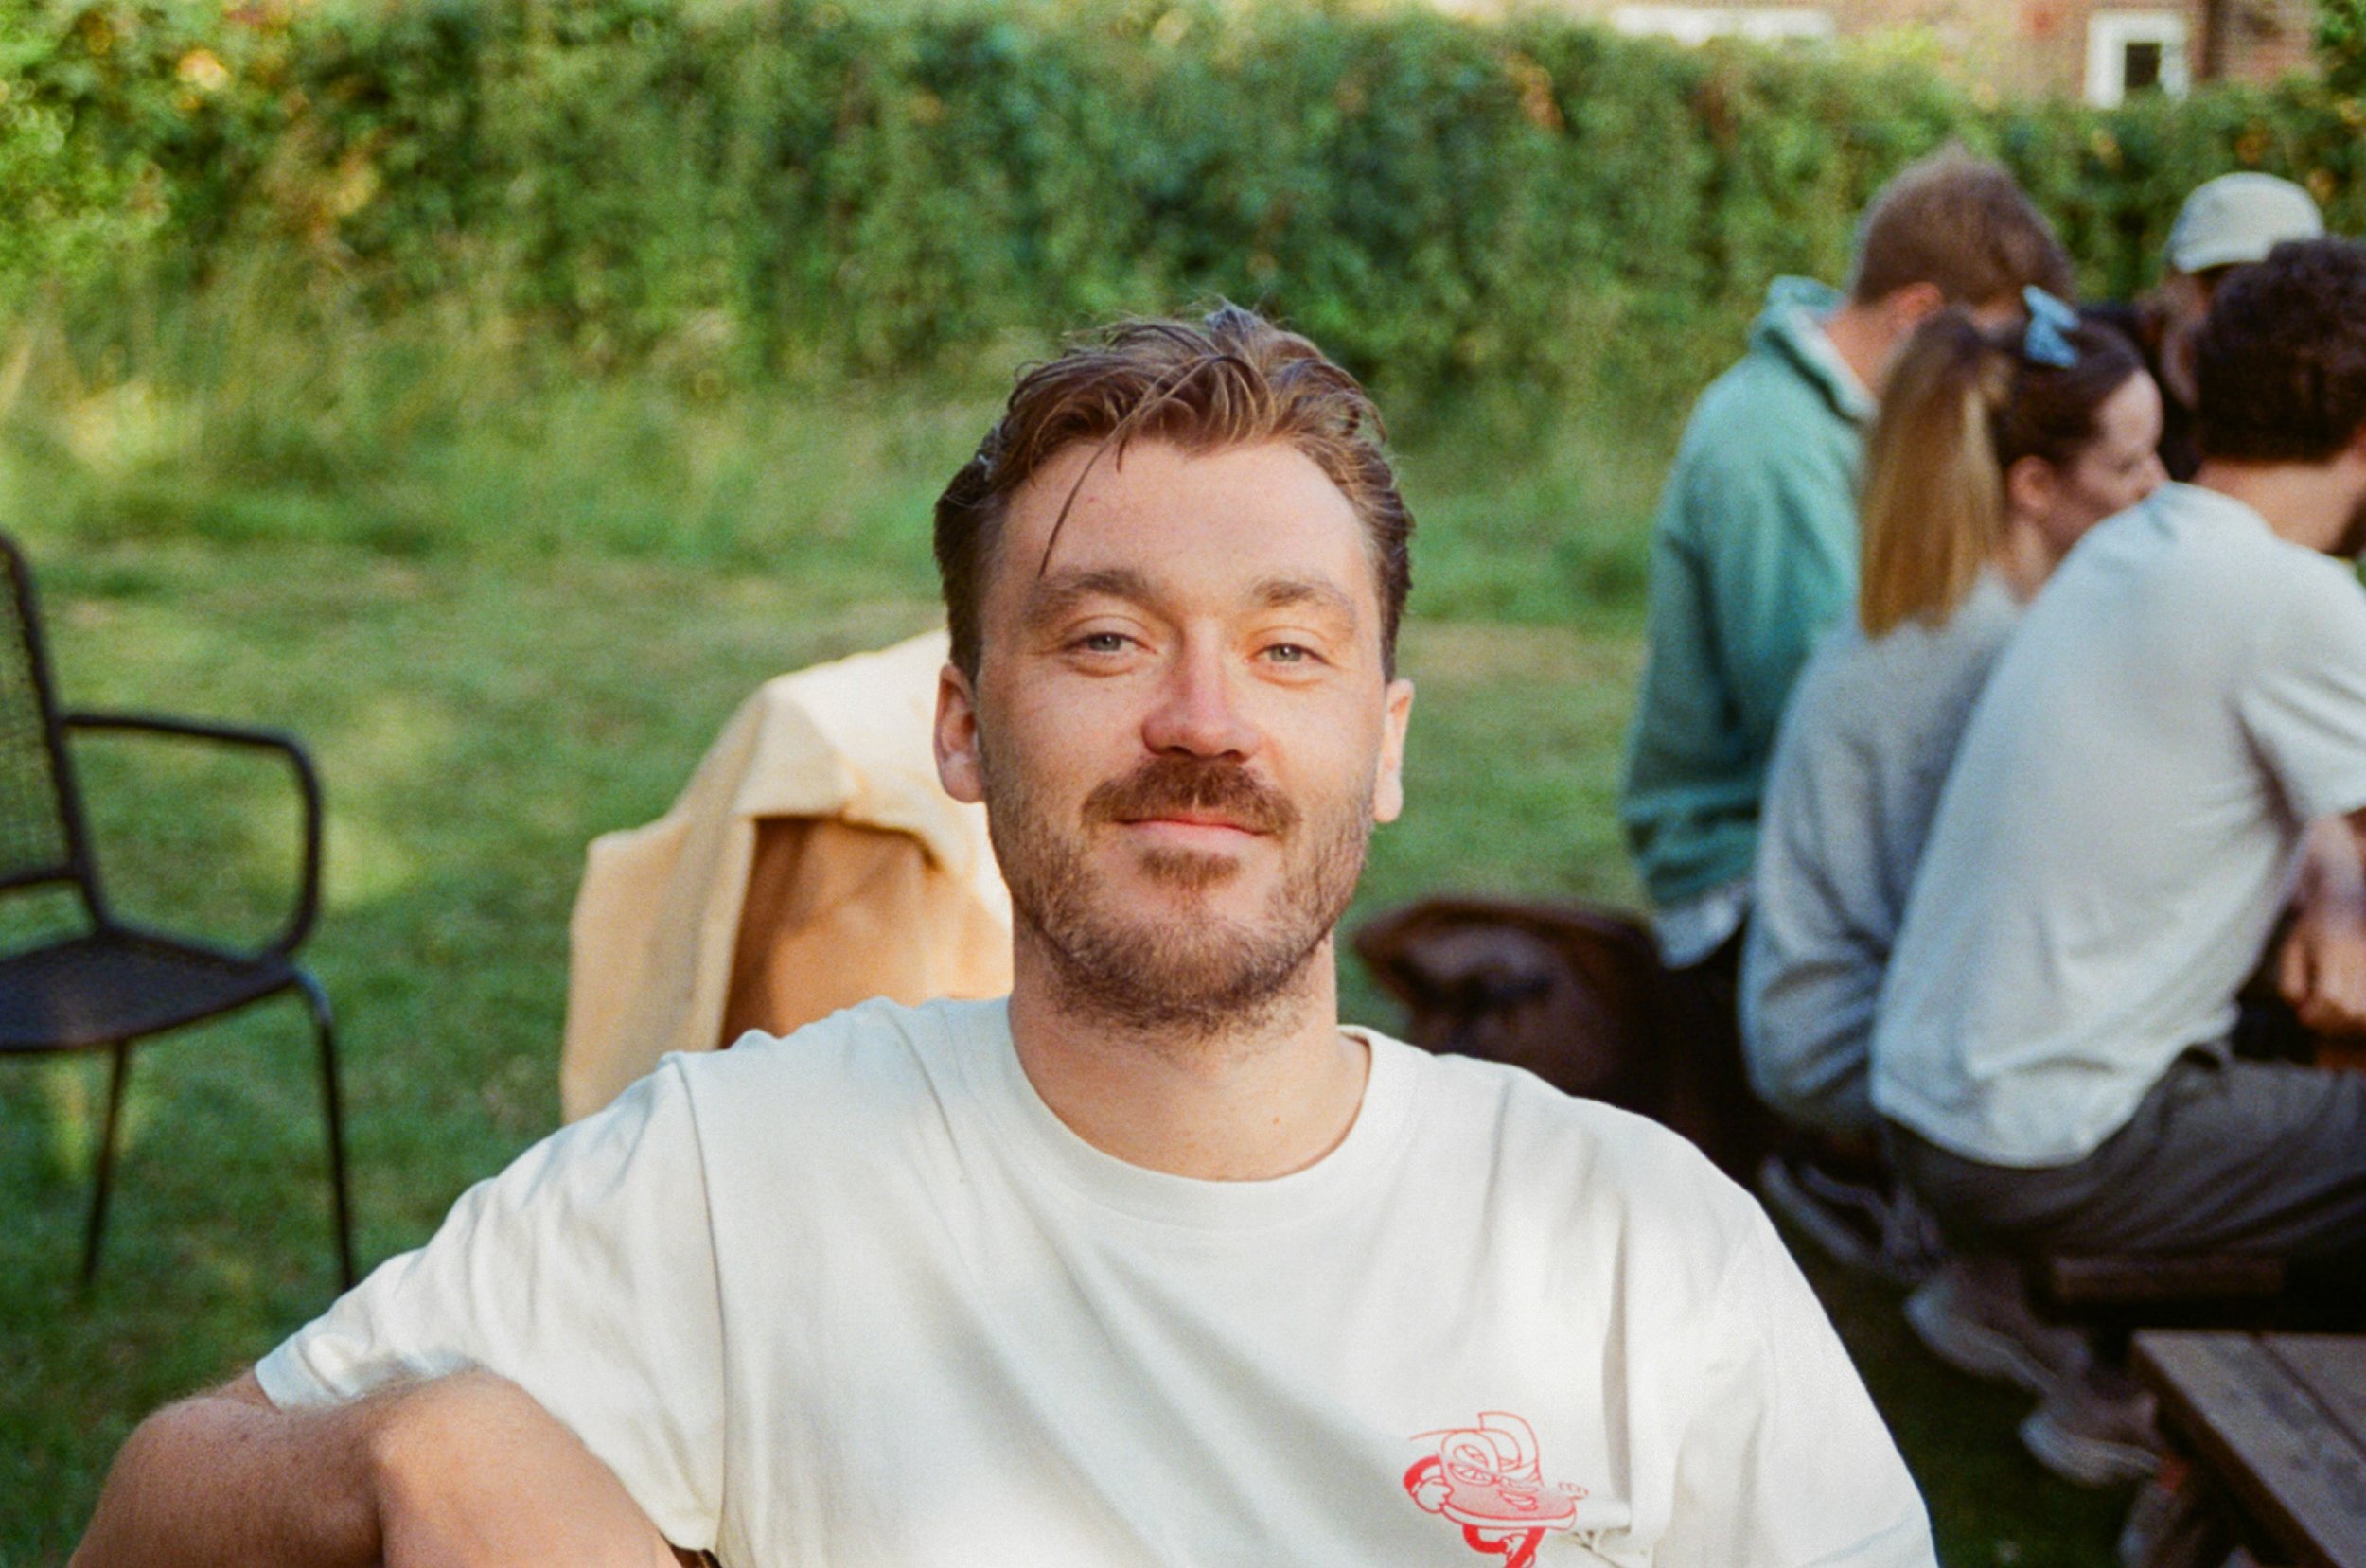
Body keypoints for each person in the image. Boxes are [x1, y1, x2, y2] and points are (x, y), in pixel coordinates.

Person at [73, 308, 1935, 1568]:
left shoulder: (1640, 1252)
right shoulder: (737, 1182)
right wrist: (413, 1445)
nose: (1203, 718)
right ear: (961, 725)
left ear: (1381, 746)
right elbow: (155, 1508)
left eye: (1287, 646)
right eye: (1105, 636)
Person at [1873, 238, 2366, 1486]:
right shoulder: (2290, 601)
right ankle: (2198, 1440)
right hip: (2054, 1145)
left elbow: (2320, 810)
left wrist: (2335, 884)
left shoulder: (2145, 550)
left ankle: (2039, 1328)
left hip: (1946, 1111)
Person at [1739, 296, 2164, 1475]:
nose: (2159, 487)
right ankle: (2017, 1303)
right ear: (2034, 485)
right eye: (2130, 463)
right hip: (1838, 1033)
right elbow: (1983, 930)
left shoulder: (1965, 600)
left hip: (1822, 992)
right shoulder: (1983, 651)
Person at [1620, 150, 2072, 980]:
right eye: (1993, 350)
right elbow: (1806, 716)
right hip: (1739, 866)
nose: (2004, 381)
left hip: (1819, 833)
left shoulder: (1869, 417)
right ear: (1917, 313)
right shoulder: (1771, 444)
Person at [2090, 172, 2323, 483]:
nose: (2238, 315)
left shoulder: (2323, 411)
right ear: (2172, 283)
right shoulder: (2095, 361)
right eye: (2220, 285)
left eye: (2273, 296)